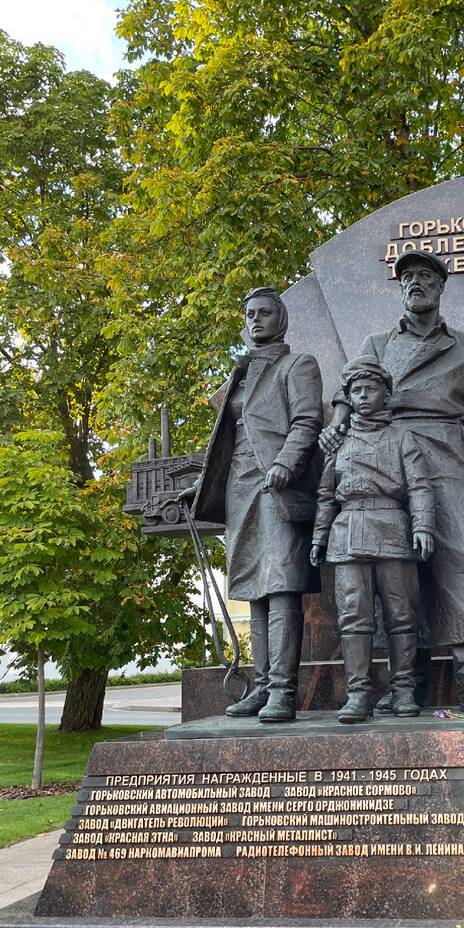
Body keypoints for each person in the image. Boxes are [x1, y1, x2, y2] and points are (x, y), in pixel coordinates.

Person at [320, 250, 464, 715]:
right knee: (395, 570)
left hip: (450, 453)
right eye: (407, 278)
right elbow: (347, 389)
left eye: (424, 277)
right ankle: (406, 685)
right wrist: (339, 421)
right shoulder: (376, 343)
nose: (414, 284)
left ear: (440, 288)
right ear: (400, 290)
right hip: (384, 451)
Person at [190, 286, 323, 722]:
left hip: (278, 485)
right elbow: (223, 442)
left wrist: (287, 462)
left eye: (265, 313)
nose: (256, 319)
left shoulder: (297, 365)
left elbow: (308, 420)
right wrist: (202, 485)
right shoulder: (239, 375)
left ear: (280, 320)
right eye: (249, 314)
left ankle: (284, 690)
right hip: (241, 487)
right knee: (253, 589)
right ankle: (263, 687)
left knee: (281, 583)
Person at [310, 355, 434, 723]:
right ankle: (359, 694)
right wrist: (319, 537)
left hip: (393, 532)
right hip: (347, 535)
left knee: (401, 617)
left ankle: (404, 690)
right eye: (356, 390)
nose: (363, 396)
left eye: (371, 389)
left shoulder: (402, 438)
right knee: (354, 619)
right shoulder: (338, 444)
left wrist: (423, 527)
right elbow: (326, 495)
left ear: (385, 393)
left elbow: (420, 487)